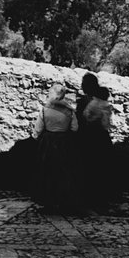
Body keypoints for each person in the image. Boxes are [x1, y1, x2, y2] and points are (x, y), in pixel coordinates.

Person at [32, 83, 78, 211]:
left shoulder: (45, 110)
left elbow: (38, 129)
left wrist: (36, 138)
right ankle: (63, 200)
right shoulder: (70, 111)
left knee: (47, 171)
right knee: (64, 172)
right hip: (64, 143)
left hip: (48, 142)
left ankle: (48, 201)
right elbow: (75, 128)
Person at [76, 74, 116, 209]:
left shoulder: (84, 101)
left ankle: (88, 197)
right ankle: (101, 197)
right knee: (101, 167)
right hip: (101, 137)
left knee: (88, 167)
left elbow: (80, 120)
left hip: (87, 137)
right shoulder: (103, 101)